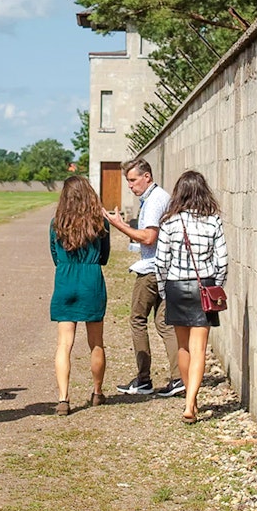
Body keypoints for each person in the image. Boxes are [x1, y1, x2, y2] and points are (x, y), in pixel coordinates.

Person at [103, 159, 183, 398]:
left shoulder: (155, 200)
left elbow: (148, 238)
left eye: (133, 180)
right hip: (165, 268)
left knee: (138, 320)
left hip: (151, 270)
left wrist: (119, 225)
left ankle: (144, 380)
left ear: (147, 177)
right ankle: (179, 378)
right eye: (128, 180)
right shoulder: (158, 197)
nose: (129, 185)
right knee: (164, 322)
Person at [154, 170, 227, 424]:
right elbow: (223, 261)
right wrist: (216, 287)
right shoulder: (213, 221)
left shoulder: (169, 222)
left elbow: (161, 261)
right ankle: (190, 402)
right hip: (203, 287)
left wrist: (164, 290)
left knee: (183, 347)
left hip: (175, 285)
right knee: (199, 350)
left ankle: (190, 400)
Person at [49, 176, 111, 416]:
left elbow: (55, 256)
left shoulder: (56, 224)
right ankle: (97, 391)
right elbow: (104, 257)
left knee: (64, 344)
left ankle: (63, 398)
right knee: (96, 342)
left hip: (66, 280)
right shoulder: (99, 224)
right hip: (91, 281)